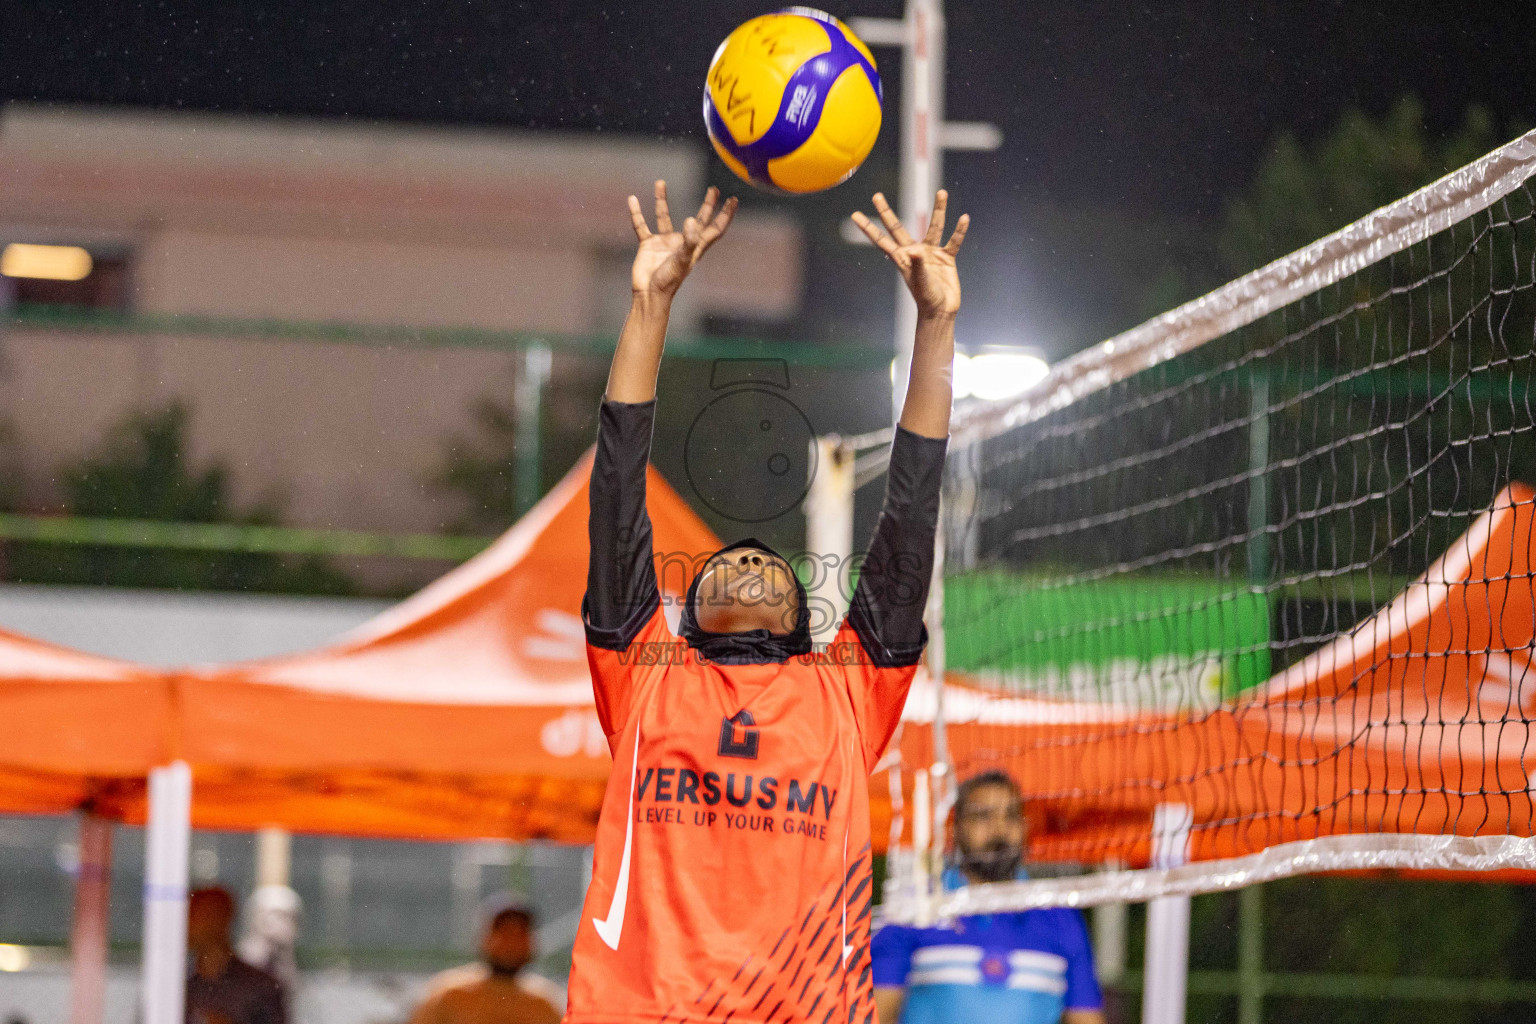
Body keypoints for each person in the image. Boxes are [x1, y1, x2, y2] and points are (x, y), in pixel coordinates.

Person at [565, 180, 967, 1023]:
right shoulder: (645, 671)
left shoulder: (849, 688)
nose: (746, 558)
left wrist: (936, 328)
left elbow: (910, 510)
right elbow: (616, 486)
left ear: (799, 619)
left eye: (765, 562)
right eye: (726, 562)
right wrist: (650, 306)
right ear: (686, 613)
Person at [871, 771, 1106, 1024]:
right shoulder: (913, 910)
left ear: (1025, 828)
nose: (999, 829)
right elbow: (877, 1014)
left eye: (1011, 816)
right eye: (983, 815)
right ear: (956, 827)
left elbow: (1086, 1017)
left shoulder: (1060, 917)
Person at [409, 896, 563, 1024]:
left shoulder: (545, 1005)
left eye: (520, 934)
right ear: (484, 938)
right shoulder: (448, 996)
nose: (512, 943)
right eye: (505, 933)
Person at [185, 886, 286, 1024]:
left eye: (195, 916)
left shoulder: (261, 987)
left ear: (218, 921)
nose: (187, 925)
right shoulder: (184, 984)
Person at [237, 884, 302, 1018]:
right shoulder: (246, 963)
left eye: (292, 918)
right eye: (280, 916)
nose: (287, 924)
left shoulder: (285, 963)